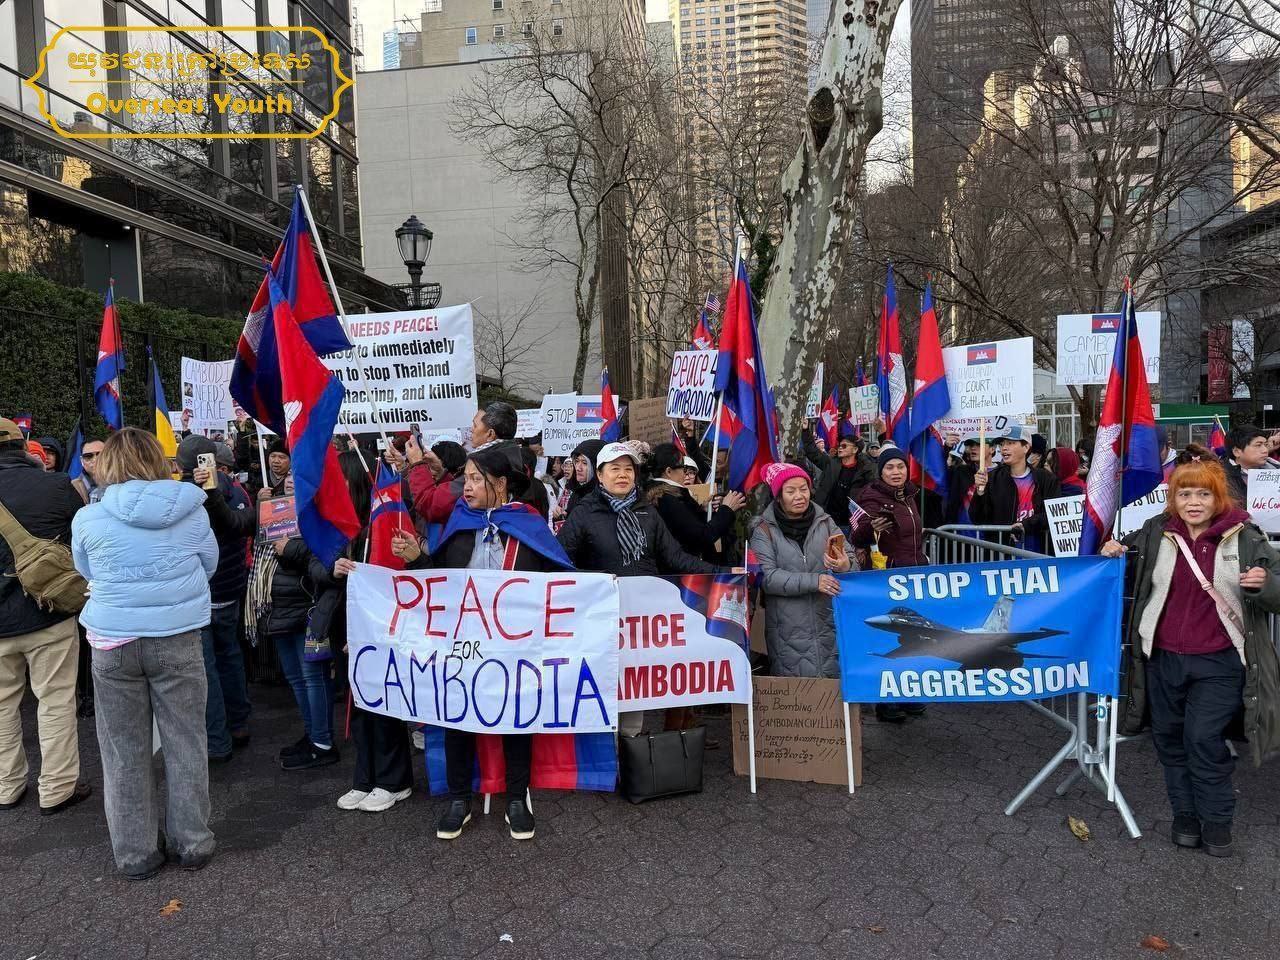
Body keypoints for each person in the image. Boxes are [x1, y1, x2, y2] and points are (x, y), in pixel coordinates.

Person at [1104, 459, 1280, 858]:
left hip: (1220, 662)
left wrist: (1266, 584)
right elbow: (1125, 559)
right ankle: (1184, 818)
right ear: (1173, 498)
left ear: (1219, 498)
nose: (1194, 502)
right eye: (1185, 494)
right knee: (1169, 740)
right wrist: (1114, 549)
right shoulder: (1156, 531)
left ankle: (1217, 822)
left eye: (1203, 494)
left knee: (1202, 739)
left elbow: (1278, 591)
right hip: (1162, 659)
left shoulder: (1245, 536)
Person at [70, 428, 219, 879]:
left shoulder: (88, 517)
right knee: (186, 741)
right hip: (177, 637)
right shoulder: (193, 509)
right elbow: (209, 565)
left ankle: (135, 852)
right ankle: (192, 842)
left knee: (123, 751)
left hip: (113, 641)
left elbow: (85, 569)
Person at [427, 446, 577, 840]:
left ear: (501, 484)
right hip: (465, 643)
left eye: (476, 479)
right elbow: (436, 582)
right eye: (466, 479)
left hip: (516, 645)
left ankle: (516, 798)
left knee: (516, 719)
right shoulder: (460, 521)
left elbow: (558, 577)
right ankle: (459, 799)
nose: (467, 487)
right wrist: (414, 560)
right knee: (457, 717)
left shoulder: (527, 523)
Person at [559, 442, 723, 736]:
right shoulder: (584, 513)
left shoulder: (647, 511)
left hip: (641, 619)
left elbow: (674, 557)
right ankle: (604, 751)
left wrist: (720, 573)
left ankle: (630, 746)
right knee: (605, 685)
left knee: (634, 687)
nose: (623, 475)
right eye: (615, 469)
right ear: (600, 475)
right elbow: (561, 561)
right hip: (602, 616)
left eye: (628, 469)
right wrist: (594, 583)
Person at [0, 418, 89, 814]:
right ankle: (57, 788)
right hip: (47, 611)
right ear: (24, 446)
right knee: (54, 701)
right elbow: (81, 543)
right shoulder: (55, 486)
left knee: (1, 708)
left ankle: (7, 786)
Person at [178, 435, 254, 763]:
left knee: (207, 667)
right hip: (230, 589)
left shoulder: (185, 498)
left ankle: (217, 740)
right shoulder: (236, 489)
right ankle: (239, 724)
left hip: (202, 593)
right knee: (230, 656)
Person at [259, 472, 340, 772]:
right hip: (278, 608)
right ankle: (312, 735)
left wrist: (290, 548)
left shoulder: (320, 512)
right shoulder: (273, 509)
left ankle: (323, 743)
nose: (292, 479)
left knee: (313, 678)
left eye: (299, 473)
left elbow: (324, 556)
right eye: (289, 474)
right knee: (296, 678)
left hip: (306, 606)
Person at [750, 461, 854, 678]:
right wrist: (815, 581)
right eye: (791, 491)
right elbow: (767, 577)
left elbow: (851, 558)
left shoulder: (825, 522)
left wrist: (846, 565)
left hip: (829, 623)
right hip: (788, 631)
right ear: (779, 496)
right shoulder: (764, 531)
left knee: (835, 688)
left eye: (804, 489)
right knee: (799, 693)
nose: (799, 496)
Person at [646, 443, 745, 563]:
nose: (685, 473)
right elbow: (701, 537)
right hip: (684, 569)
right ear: (669, 471)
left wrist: (701, 510)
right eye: (683, 468)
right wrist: (727, 510)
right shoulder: (667, 499)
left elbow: (689, 526)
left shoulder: (664, 495)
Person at [970, 425, 1061, 551]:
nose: (1004, 448)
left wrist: (1026, 525)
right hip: (1003, 553)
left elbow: (1054, 514)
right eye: (1002, 444)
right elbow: (978, 519)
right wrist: (980, 492)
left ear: (1026, 447)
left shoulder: (1046, 479)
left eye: (1010, 443)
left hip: (1038, 553)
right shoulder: (992, 478)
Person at [852, 448, 927, 568]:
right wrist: (871, 528)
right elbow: (857, 538)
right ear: (881, 472)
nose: (896, 472)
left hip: (916, 569)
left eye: (901, 467)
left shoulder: (909, 494)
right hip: (889, 572)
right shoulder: (871, 496)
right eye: (889, 468)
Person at [801, 431, 876, 530]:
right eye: (839, 446)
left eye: (844, 446)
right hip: (828, 520)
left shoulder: (865, 470)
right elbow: (813, 452)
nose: (840, 448)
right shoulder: (831, 463)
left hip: (851, 523)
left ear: (855, 449)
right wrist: (805, 430)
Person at [1224, 425, 1271, 508]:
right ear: (1237, 452)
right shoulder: (1219, 477)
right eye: (1258, 445)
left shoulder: (1275, 469)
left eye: (1266, 445)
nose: (1265, 450)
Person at [944, 438, 984, 525]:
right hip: (959, 530)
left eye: (979, 445)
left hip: (988, 531)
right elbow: (938, 473)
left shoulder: (1001, 474)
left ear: (992, 449)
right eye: (971, 445)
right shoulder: (960, 471)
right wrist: (946, 448)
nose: (973, 448)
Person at [563, 438, 605, 514]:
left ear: (596, 466)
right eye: (577, 461)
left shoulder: (602, 498)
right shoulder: (576, 492)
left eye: (585, 463)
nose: (578, 468)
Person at [72, 438, 105, 504]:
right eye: (88, 456)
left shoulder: (121, 481)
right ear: (82, 461)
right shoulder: (72, 487)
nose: (95, 460)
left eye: (100, 455)